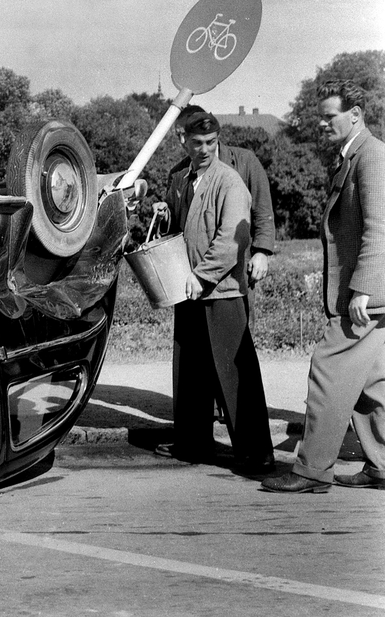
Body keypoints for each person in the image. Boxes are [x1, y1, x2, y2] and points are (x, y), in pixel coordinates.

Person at [262, 80, 385, 493]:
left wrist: (363, 289)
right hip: (368, 293)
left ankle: (312, 470)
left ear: (355, 114)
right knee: (371, 384)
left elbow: (379, 228)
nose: (321, 123)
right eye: (321, 116)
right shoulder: (352, 156)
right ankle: (383, 464)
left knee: (328, 371)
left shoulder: (371, 155)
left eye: (330, 115)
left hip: (367, 294)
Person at [154, 110, 275, 474]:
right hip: (189, 289)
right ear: (183, 142)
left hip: (219, 291)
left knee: (236, 375)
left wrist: (203, 276)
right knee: (190, 371)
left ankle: (257, 453)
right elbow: (181, 229)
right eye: (197, 143)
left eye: (211, 142)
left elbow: (230, 241)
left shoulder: (229, 180)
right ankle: (193, 444)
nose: (205, 149)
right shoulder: (184, 176)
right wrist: (163, 214)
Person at [171, 105, 276, 293]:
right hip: (192, 276)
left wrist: (261, 252)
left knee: (240, 318)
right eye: (179, 134)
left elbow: (263, 210)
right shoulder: (178, 173)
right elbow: (177, 224)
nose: (181, 141)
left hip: (236, 268)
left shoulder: (245, 161)